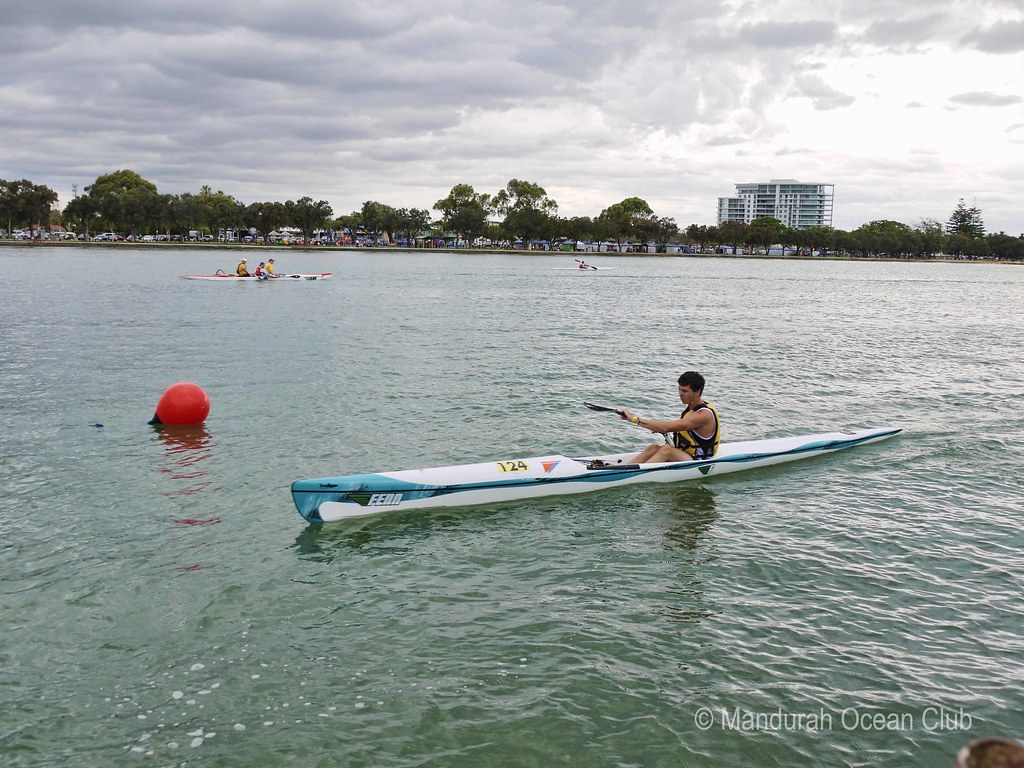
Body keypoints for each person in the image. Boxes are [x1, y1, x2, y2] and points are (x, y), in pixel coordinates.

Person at [619, 371, 720, 463]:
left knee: (667, 450)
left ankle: (633, 475)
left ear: (697, 392)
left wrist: (634, 419)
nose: (680, 394)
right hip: (685, 455)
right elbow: (672, 427)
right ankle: (623, 470)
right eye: (679, 389)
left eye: (684, 391)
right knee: (653, 447)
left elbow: (667, 427)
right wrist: (656, 427)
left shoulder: (702, 415)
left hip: (699, 460)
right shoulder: (691, 409)